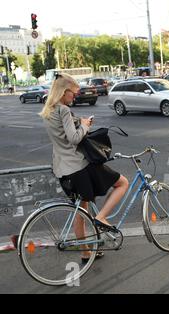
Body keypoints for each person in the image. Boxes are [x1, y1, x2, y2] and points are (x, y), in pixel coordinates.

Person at [39, 73, 129, 262]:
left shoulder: (48, 112)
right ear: (64, 92)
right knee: (122, 183)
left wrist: (80, 122)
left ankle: (86, 252)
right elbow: (74, 138)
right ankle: (103, 217)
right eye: (73, 92)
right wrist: (86, 125)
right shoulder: (63, 109)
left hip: (63, 169)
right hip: (79, 166)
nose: (75, 96)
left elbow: (62, 135)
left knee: (81, 211)